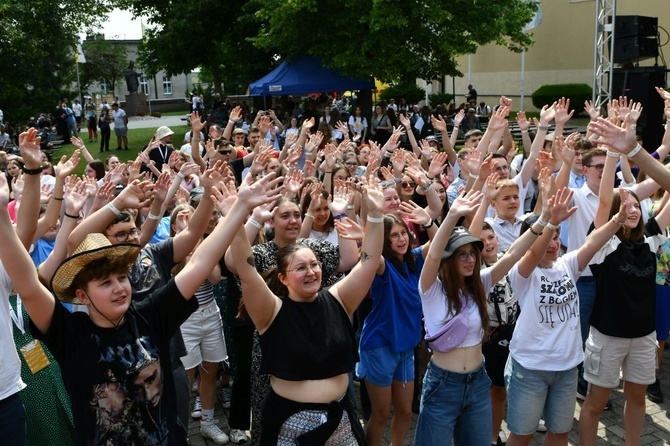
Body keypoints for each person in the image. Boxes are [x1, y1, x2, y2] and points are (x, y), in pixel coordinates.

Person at [0, 162, 282, 444]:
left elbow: (199, 262)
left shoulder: (150, 314)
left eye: (121, 278)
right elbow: (27, 282)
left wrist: (239, 207)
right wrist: (2, 214)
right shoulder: (69, 333)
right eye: (105, 283)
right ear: (82, 295)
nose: (119, 288)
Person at [228, 174, 384, 444]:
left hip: (340, 422)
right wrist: (238, 212)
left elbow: (368, 262)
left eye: (314, 265)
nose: (311, 272)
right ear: (283, 278)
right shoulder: (270, 311)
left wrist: (376, 215)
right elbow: (246, 267)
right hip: (291, 425)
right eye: (301, 268)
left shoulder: (338, 298)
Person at [415, 188, 559, 446]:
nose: (470, 259)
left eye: (473, 253)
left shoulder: (480, 283)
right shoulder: (431, 289)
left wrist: (543, 221)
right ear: (449, 259)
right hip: (442, 386)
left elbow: (514, 254)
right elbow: (434, 254)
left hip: (478, 382)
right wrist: (452, 216)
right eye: (462, 254)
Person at [359, 213, 430, 446]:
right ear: (384, 241)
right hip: (379, 346)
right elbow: (371, 255)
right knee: (380, 414)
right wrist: (370, 218)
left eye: (403, 233)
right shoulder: (382, 265)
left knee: (406, 412)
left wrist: (429, 222)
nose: (401, 239)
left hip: (406, 347)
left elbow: (441, 243)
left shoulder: (415, 259)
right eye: (394, 235)